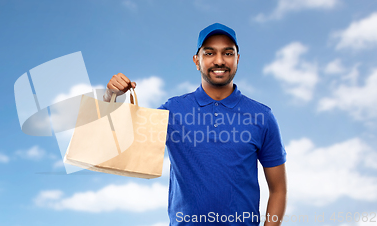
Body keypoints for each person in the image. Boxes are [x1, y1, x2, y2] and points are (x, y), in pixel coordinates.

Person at [104, 23, 287, 226]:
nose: (219, 61)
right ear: (196, 61)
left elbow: (278, 189)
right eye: (209, 53)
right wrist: (110, 96)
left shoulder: (262, 116)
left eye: (228, 53)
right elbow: (119, 142)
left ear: (237, 59)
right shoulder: (172, 110)